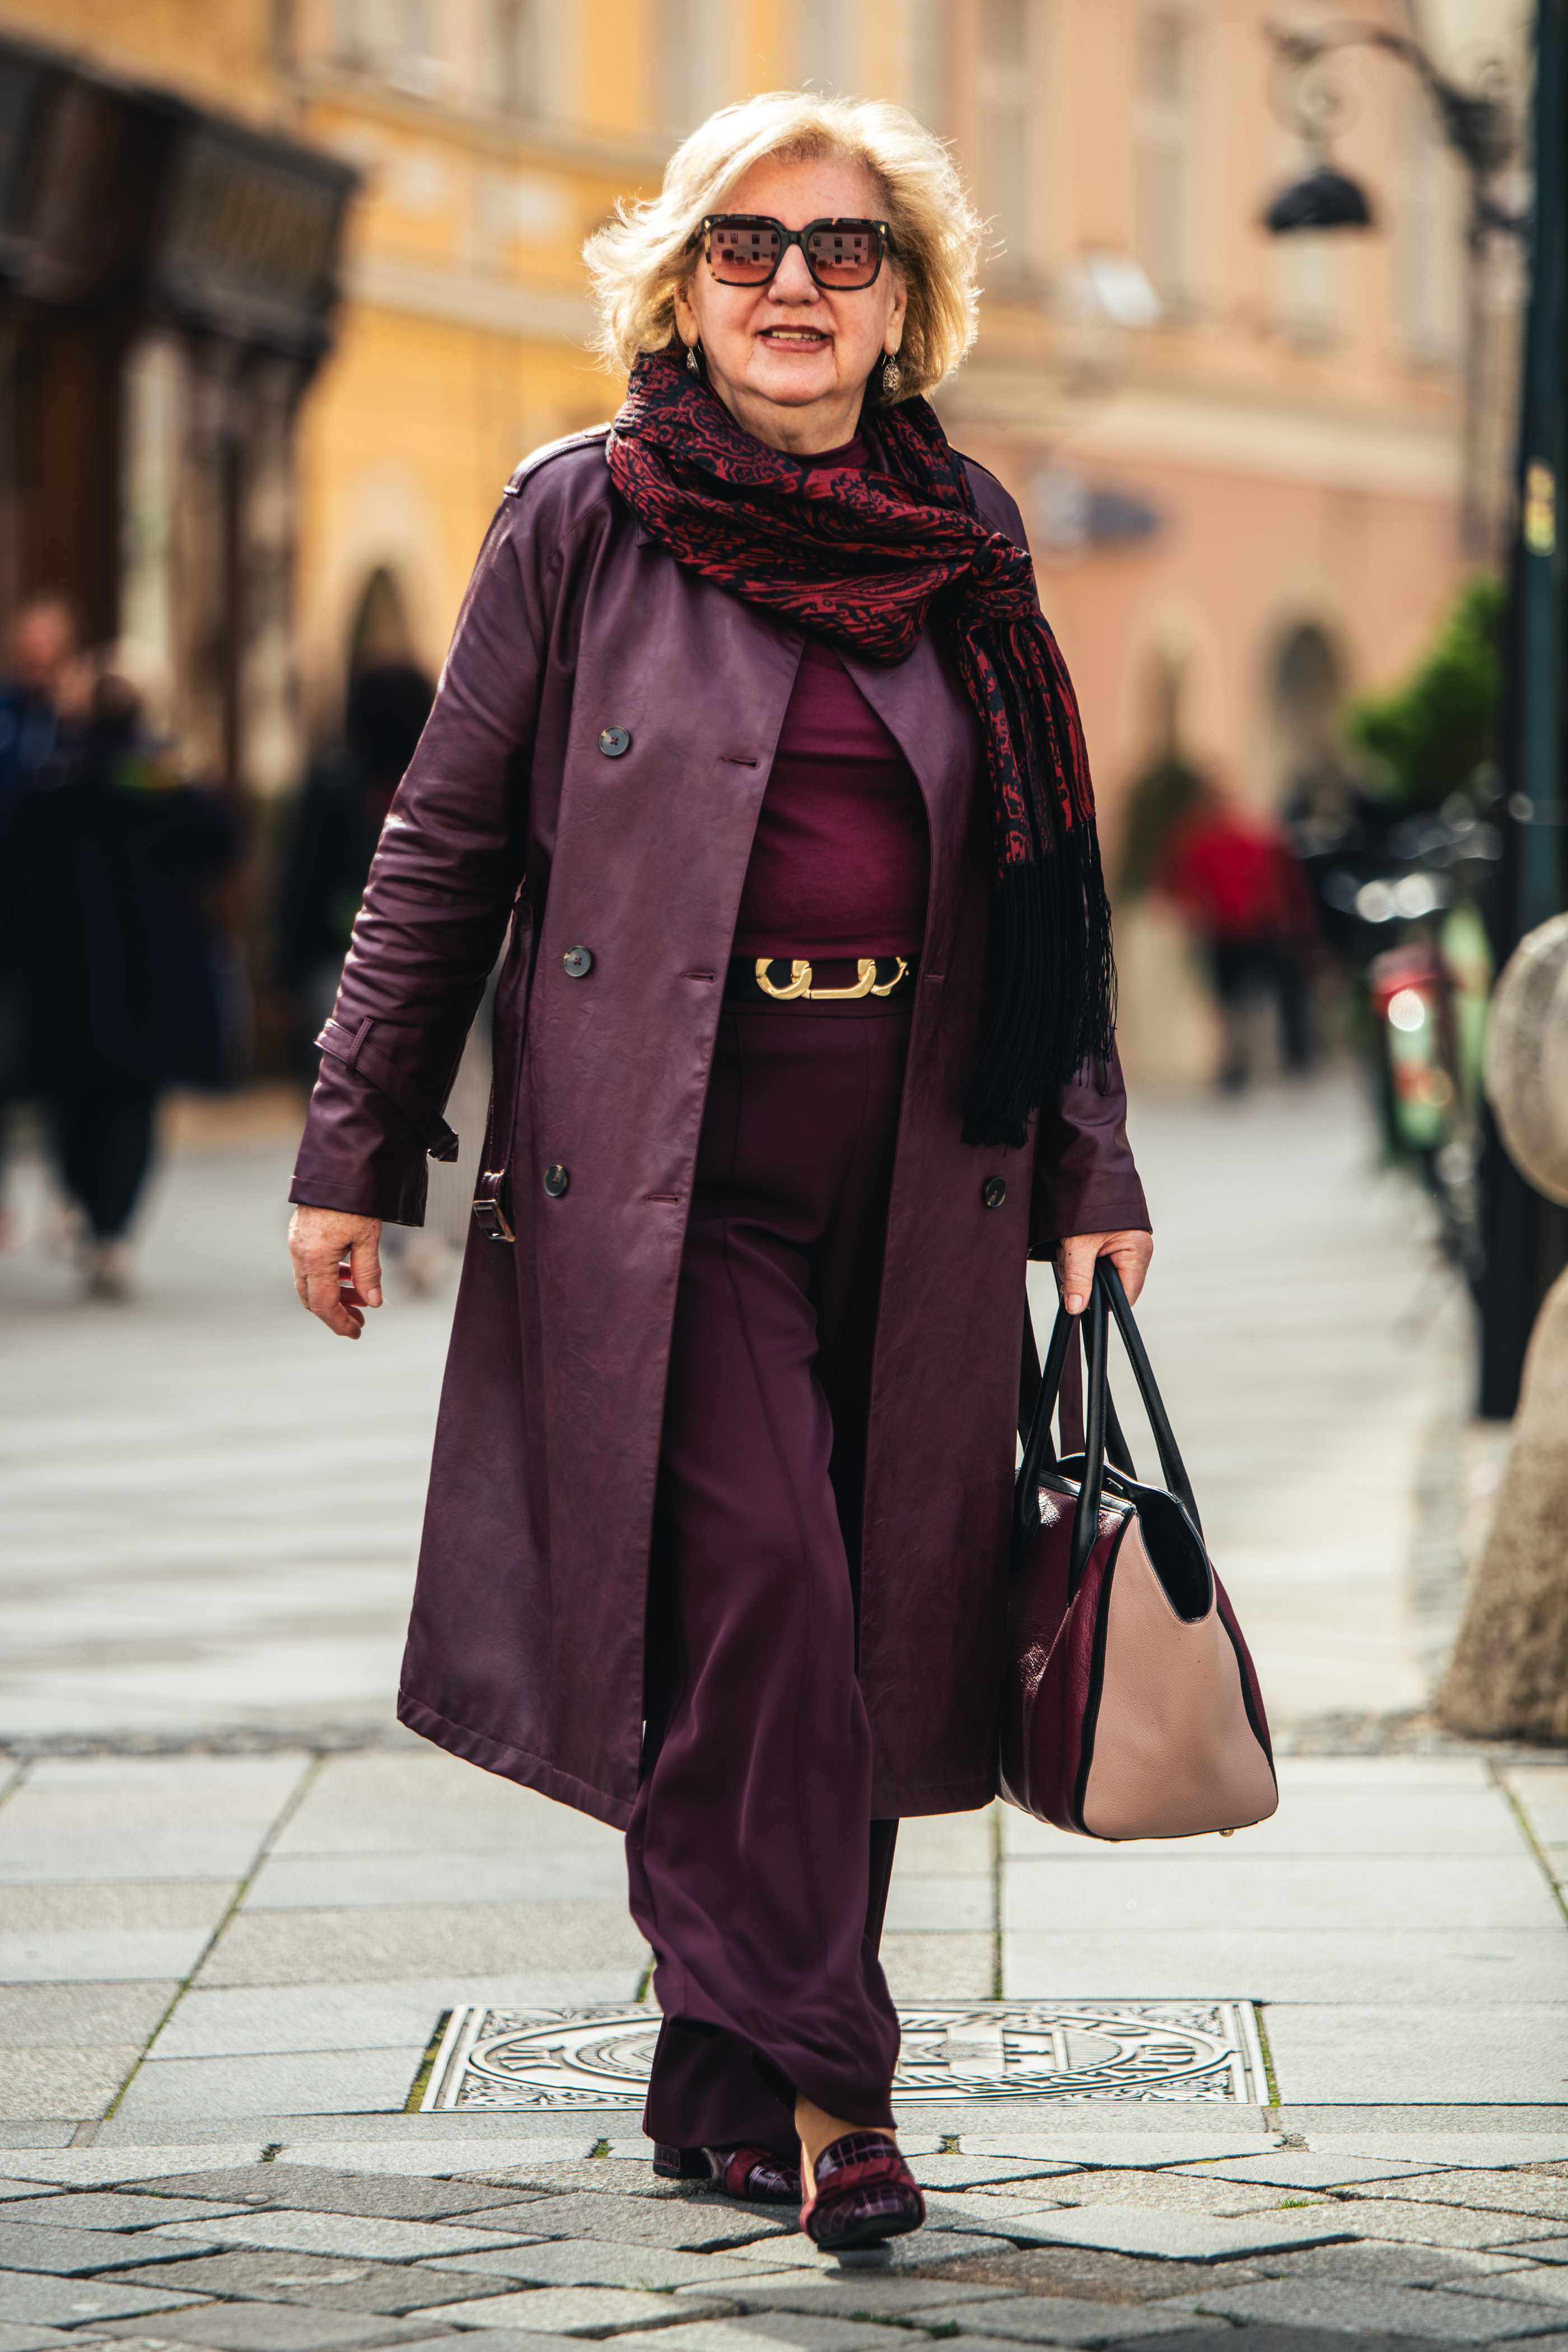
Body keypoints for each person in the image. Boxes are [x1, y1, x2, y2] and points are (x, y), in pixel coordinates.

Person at [287, 93, 1151, 2252]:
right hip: (661, 1169)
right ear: (679, 288)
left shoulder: (965, 536)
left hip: (928, 1159)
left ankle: (714, 2080)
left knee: (862, 1612)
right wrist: (353, 1140)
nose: (792, 284)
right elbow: (441, 844)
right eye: (747, 245)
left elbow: (1051, 877)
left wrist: (1090, 1159)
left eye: (843, 251)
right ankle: (834, 2086)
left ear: (905, 304)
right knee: (767, 1588)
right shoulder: (580, 519)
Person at [1, 651, 235, 1298]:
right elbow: (219, 843)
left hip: (66, 970)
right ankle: (115, 1226)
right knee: (135, 1100)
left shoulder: (54, 777)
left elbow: (13, 869)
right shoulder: (162, 774)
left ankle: (87, 1205)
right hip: (152, 969)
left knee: (71, 1100)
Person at [1158, 773, 1318, 1091]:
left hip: (1248, 930)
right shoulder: (1217, 840)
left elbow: (1271, 883)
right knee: (1240, 1000)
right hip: (1237, 931)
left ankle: (1251, 1062)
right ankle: (1258, 1060)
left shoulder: (1218, 839)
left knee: (1237, 1001)